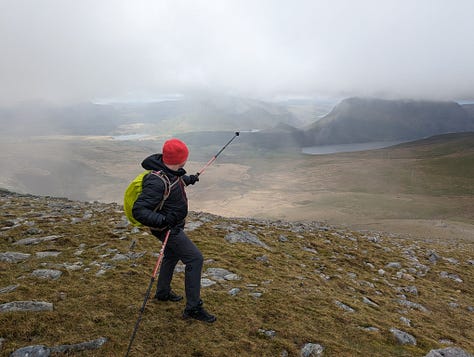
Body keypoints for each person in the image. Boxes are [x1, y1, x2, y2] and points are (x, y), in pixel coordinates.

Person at [132, 138, 216, 323]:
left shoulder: (168, 170)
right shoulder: (156, 181)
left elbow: (173, 182)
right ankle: (193, 308)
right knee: (195, 258)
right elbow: (138, 210)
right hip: (167, 228)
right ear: (181, 159)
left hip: (171, 226)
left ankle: (163, 292)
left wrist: (188, 179)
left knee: (171, 255)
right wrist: (164, 220)